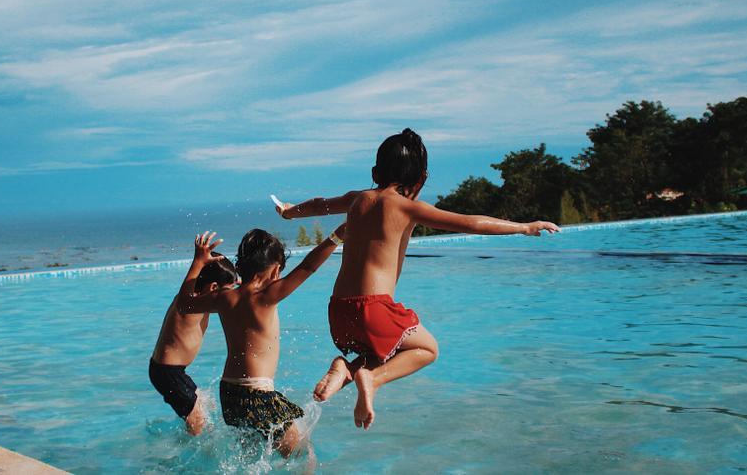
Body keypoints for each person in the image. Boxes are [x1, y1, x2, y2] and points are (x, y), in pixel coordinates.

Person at [273, 128, 560, 429]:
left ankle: (345, 369)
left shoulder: (357, 199)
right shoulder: (407, 207)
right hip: (375, 308)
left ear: (375, 171)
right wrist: (525, 227)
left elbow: (320, 205)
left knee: (383, 349)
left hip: (339, 310)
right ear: (421, 178)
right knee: (427, 349)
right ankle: (370, 377)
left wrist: (289, 212)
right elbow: (472, 223)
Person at [177, 225, 345, 458]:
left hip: (229, 394)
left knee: (250, 458)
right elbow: (308, 267)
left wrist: (197, 262)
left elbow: (184, 304)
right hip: (257, 394)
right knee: (303, 454)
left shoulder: (225, 298)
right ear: (275, 270)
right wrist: (335, 237)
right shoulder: (266, 296)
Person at [149, 231, 239, 435]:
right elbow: (193, 293)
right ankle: (187, 457)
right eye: (227, 290)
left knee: (207, 405)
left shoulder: (200, 299)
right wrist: (198, 261)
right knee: (197, 423)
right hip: (167, 372)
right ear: (214, 287)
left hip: (171, 371)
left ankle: (188, 437)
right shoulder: (189, 303)